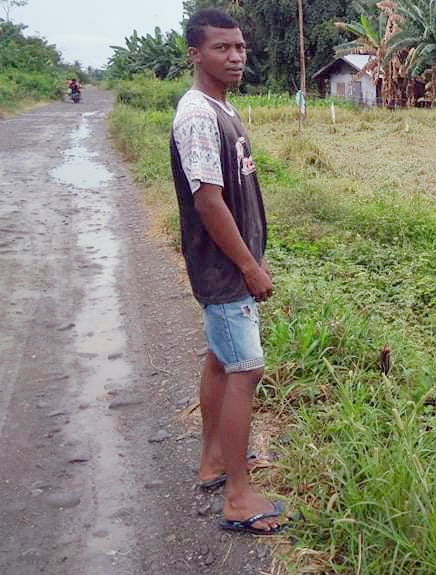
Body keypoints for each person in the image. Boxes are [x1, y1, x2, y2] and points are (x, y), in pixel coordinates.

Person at [170, 8, 283, 535]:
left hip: (233, 265)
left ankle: (215, 462)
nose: (236, 56)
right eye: (222, 48)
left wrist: (255, 254)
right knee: (246, 370)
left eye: (239, 47)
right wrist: (246, 266)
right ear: (196, 53)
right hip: (223, 270)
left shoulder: (223, 108)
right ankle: (238, 498)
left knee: (221, 360)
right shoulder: (198, 115)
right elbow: (209, 202)